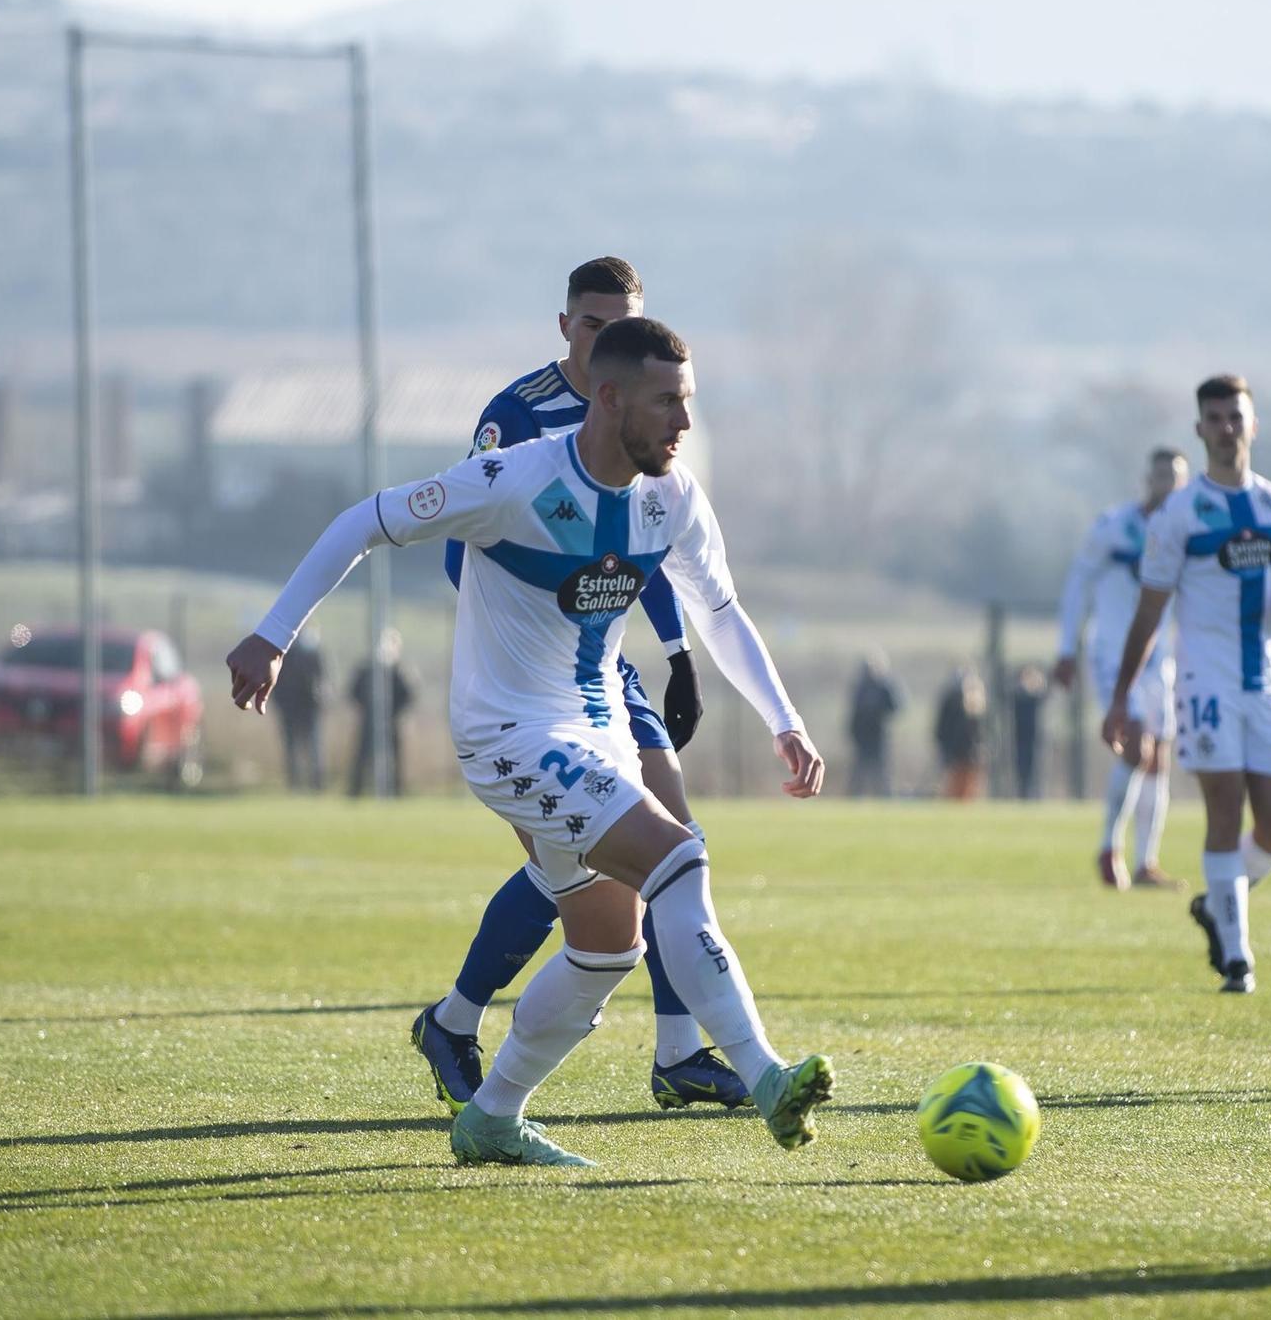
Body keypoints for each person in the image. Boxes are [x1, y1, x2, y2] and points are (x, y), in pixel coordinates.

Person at [228, 317, 832, 1167]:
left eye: (687, 403)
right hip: (507, 733)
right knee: (680, 856)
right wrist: (274, 632)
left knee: (606, 946)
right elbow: (363, 522)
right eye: (667, 403)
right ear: (609, 396)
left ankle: (490, 1117)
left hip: (600, 733)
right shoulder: (510, 481)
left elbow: (720, 612)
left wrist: (785, 720)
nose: (683, 423)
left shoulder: (672, 497)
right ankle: (766, 1075)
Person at [410, 257, 741, 1118]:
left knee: (662, 838)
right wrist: (520, 649)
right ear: (565, 327)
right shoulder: (517, 414)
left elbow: (643, 547)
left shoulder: (644, 409)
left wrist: (679, 649)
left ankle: (676, 1050)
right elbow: (464, 540)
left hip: (608, 658)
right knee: (628, 856)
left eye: (618, 323)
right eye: (590, 325)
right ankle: (459, 1018)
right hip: (534, 672)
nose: (603, 339)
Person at [1108, 375, 1271, 994]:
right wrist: (1122, 697)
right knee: (1225, 811)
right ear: (1199, 430)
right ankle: (1237, 955)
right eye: (1215, 418)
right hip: (1204, 683)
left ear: (1253, 426)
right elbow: (1149, 612)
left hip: (1267, 683)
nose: (1227, 428)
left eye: (1236, 417)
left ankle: (1217, 905)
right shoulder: (1179, 513)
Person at [1055, 449, 1190, 889]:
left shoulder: (1187, 531)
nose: (1168, 485)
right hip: (1113, 652)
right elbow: (1078, 582)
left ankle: (1146, 862)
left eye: (1176, 478)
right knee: (1135, 747)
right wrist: (1066, 647)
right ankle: (1108, 847)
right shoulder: (1113, 526)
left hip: (1160, 659)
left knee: (1159, 759)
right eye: (1160, 477)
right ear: (1146, 480)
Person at [347, 628, 417, 797]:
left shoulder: (399, 670)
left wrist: (395, 712)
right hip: (369, 720)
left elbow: (409, 695)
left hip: (392, 721)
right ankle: (355, 791)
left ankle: (395, 792)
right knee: (362, 757)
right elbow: (353, 691)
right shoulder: (367, 668)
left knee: (395, 759)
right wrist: (366, 708)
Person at [846, 651, 903, 798]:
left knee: (882, 772)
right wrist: (852, 732)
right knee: (859, 771)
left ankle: (885, 798)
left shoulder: (884, 687)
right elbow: (854, 713)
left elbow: (896, 706)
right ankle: (854, 798)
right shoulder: (860, 687)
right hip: (862, 737)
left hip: (879, 736)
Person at [273, 634, 326, 792]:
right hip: (292, 707)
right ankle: (297, 783)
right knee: (295, 748)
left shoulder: (314, 654)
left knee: (313, 748)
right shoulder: (284, 656)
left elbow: (322, 680)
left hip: (309, 707)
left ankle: (315, 783)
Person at [934, 667, 987, 800]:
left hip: (970, 752)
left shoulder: (978, 706)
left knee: (969, 786)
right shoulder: (952, 701)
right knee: (955, 786)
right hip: (957, 751)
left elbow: (981, 733)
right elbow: (943, 729)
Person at [1009, 662, 1049, 800]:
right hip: (1021, 738)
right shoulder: (1019, 696)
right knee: (1022, 769)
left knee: (1036, 769)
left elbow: (1044, 694)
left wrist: (1037, 683)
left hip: (1035, 739)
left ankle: (1036, 796)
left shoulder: (1035, 697)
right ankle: (1023, 795)